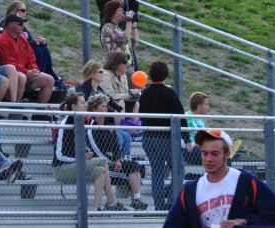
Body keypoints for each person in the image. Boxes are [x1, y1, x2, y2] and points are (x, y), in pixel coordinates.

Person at [52, 93, 127, 211]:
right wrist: (81, 157)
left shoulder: (79, 121)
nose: (85, 104)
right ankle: (112, 202)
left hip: (75, 165)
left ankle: (96, 208)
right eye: (82, 103)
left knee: (100, 171)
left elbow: (79, 146)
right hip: (62, 169)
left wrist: (87, 152)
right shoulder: (66, 124)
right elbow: (59, 155)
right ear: (74, 107)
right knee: (103, 161)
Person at [138, 60, 188, 210]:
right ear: (166, 74)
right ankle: (172, 202)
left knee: (157, 173)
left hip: (148, 138)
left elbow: (141, 114)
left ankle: (159, 206)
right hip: (165, 138)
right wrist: (186, 138)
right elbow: (180, 116)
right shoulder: (169, 92)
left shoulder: (145, 93)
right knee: (179, 168)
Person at [85, 94, 147, 210]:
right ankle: (115, 203)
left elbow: (115, 148)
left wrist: (118, 159)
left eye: (106, 106)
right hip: (102, 165)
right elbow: (96, 150)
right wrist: (112, 162)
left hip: (112, 163)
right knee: (132, 169)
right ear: (94, 109)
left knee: (136, 166)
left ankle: (137, 200)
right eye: (103, 107)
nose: (106, 109)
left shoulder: (108, 126)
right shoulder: (92, 127)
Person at [0, 13, 54, 104]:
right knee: (22, 77)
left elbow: (31, 58)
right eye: (20, 23)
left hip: (24, 72)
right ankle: (15, 108)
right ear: (10, 25)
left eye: (23, 23)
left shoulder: (22, 40)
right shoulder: (2, 40)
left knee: (49, 79)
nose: (23, 26)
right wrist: (27, 72)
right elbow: (7, 62)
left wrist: (34, 70)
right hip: (7, 73)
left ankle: (39, 114)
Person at [3, 2, 60, 84]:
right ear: (14, 11)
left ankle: (42, 74)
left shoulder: (23, 26)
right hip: (17, 54)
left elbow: (28, 42)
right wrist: (33, 43)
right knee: (38, 51)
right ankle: (37, 78)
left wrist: (39, 42)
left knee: (44, 49)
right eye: (23, 10)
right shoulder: (7, 24)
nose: (25, 13)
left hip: (26, 51)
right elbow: (15, 41)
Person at [100, 0, 134, 65]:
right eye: (120, 10)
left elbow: (128, 39)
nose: (123, 13)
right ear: (112, 12)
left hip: (119, 65)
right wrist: (129, 20)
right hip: (111, 66)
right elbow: (125, 37)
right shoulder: (108, 27)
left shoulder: (117, 29)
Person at [183, 91, 210, 165]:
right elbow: (186, 137)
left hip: (202, 149)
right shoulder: (187, 117)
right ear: (199, 106)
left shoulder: (200, 119)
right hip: (191, 151)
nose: (208, 107)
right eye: (206, 104)